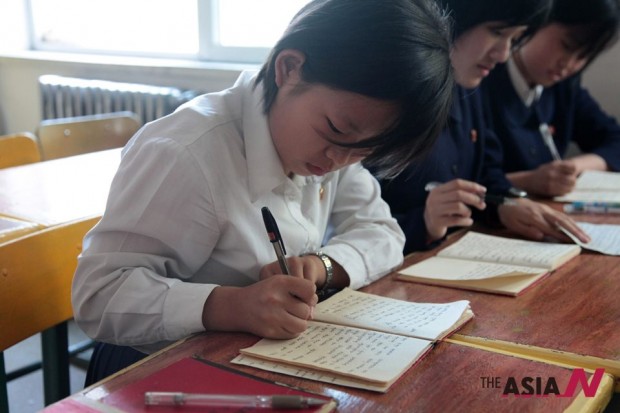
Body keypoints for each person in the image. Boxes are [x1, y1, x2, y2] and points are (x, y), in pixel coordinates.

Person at [72, 0, 454, 384]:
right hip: (154, 369)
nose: (340, 160)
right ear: (288, 68)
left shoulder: (340, 143)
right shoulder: (186, 153)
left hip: (261, 360)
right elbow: (99, 296)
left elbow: (384, 233)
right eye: (336, 130)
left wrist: (322, 267)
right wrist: (229, 305)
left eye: (366, 150)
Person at [376, 0, 590, 254]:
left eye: (514, 39)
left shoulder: (468, 86)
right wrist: (423, 223)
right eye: (497, 32)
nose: (503, 54)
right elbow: (348, 227)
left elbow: (487, 171)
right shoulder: (388, 95)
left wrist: (504, 205)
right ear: (454, 15)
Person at [481, 0, 620, 197]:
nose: (568, 64)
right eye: (567, 45)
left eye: (583, 56)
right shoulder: (480, 80)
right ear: (537, 20)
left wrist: (573, 167)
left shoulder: (563, 87)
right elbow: (463, 177)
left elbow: (615, 139)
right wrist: (528, 181)